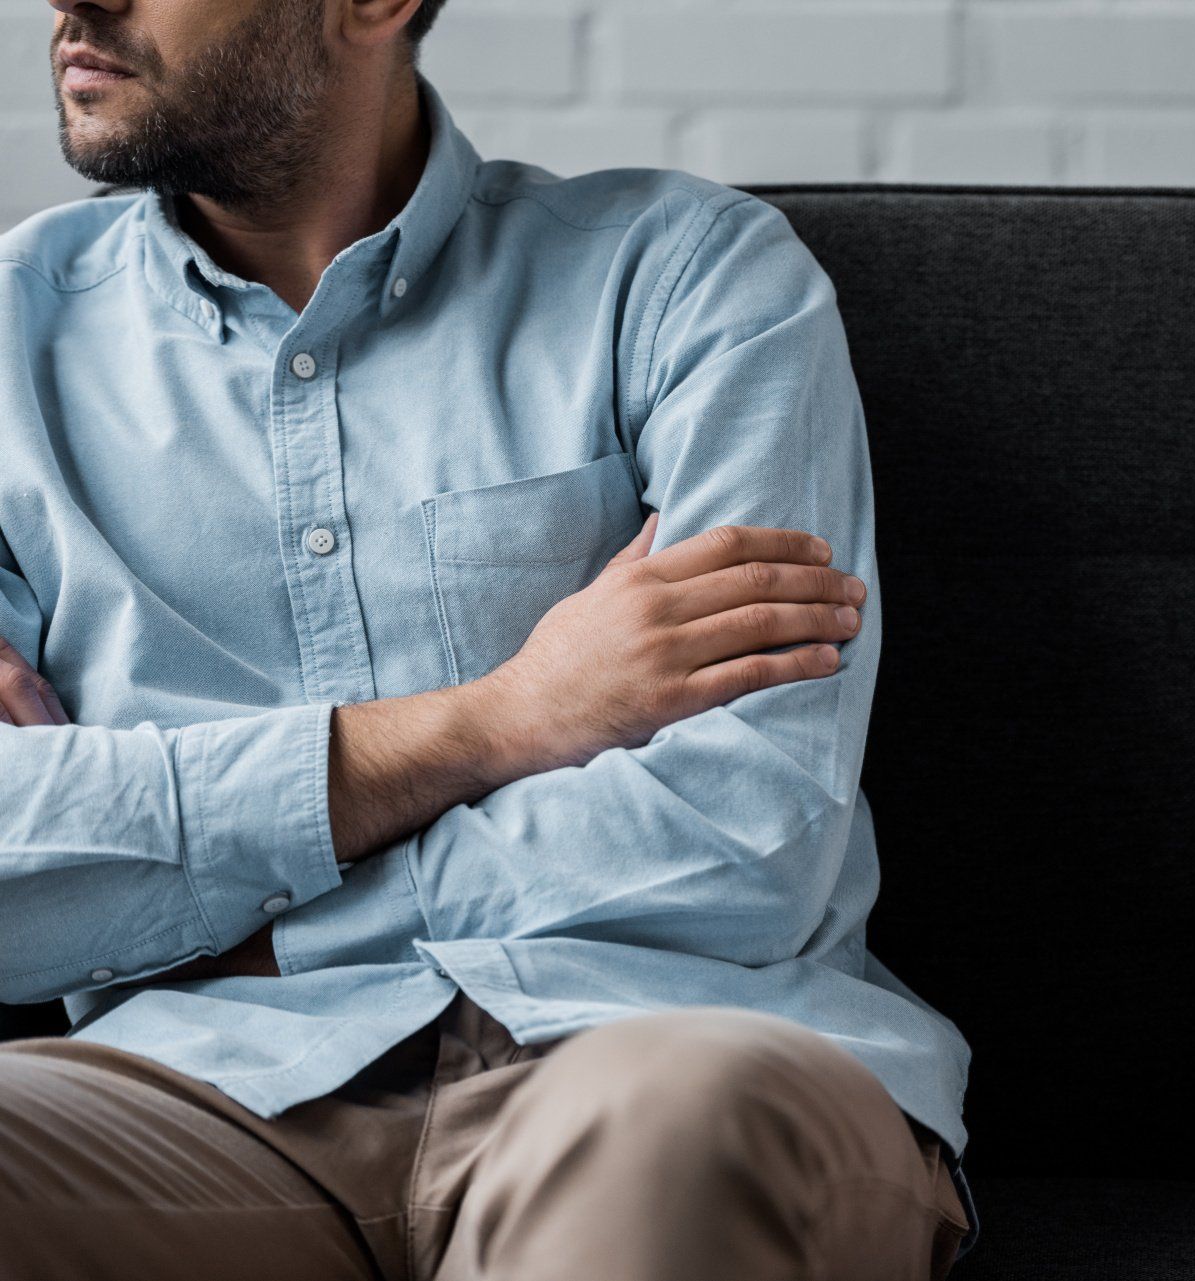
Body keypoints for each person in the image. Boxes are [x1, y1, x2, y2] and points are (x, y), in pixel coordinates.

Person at [0, 0, 976, 1276]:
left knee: (675, 1138)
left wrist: (229, 913)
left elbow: (748, 834)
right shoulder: (15, 337)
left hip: (649, 1047)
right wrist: (499, 720)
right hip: (201, 1095)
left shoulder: (685, 276)